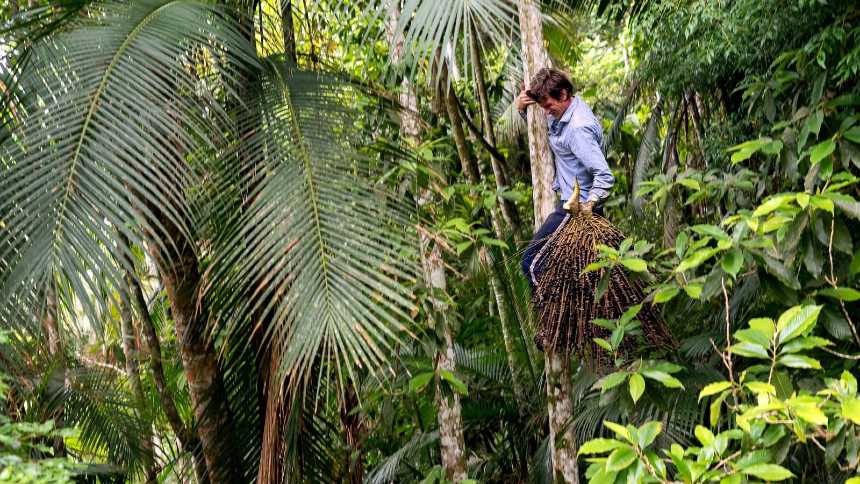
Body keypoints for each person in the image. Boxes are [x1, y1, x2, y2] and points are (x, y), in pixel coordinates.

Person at [518, 68, 615, 291]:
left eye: (548, 106)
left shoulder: (577, 129)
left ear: (563, 95)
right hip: (571, 202)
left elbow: (605, 175)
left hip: (575, 208)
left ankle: (552, 318)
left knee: (531, 263)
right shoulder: (564, 111)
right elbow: (544, 132)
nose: (546, 112)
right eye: (542, 107)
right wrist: (523, 109)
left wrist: (587, 205)